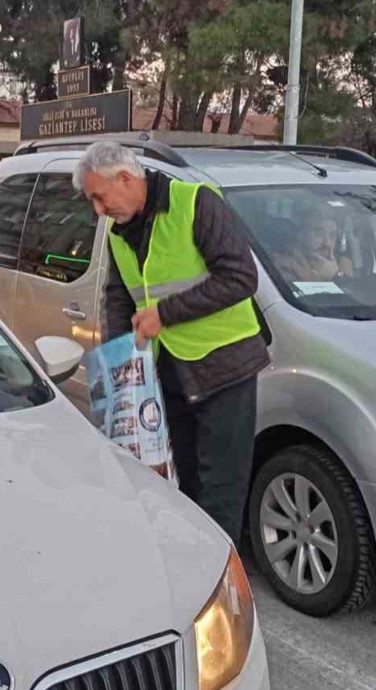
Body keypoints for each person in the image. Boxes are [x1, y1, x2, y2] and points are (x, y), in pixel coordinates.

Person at [74, 141, 269, 541]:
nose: (97, 209)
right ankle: (192, 567)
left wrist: (164, 314)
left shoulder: (196, 204)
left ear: (125, 178)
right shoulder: (118, 231)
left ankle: (221, 586)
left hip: (222, 370)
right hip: (169, 375)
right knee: (183, 486)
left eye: (99, 197)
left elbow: (241, 278)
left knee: (221, 492)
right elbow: (119, 295)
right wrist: (120, 357)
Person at [276, 214, 353, 281]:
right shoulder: (285, 265)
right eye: (318, 234)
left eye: (332, 235)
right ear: (301, 235)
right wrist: (315, 279)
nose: (327, 243)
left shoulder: (342, 264)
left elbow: (350, 294)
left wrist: (337, 275)